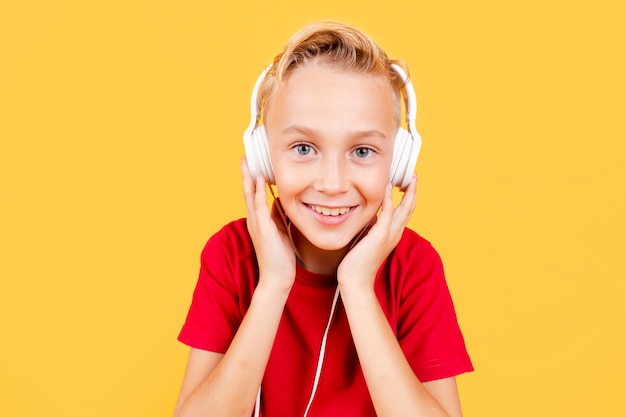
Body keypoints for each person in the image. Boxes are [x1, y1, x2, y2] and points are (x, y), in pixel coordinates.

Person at [174, 20, 473, 417]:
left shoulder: (414, 267)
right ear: (264, 155)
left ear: (399, 162)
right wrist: (273, 285)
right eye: (303, 147)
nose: (332, 184)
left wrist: (358, 287)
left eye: (363, 151)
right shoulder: (231, 255)